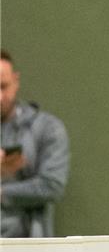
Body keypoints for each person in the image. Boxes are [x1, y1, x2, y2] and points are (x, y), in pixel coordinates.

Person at [1, 49, 71, 238]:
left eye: (3, 86)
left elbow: (52, 185)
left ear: (15, 81)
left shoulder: (47, 129)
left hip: (28, 250)